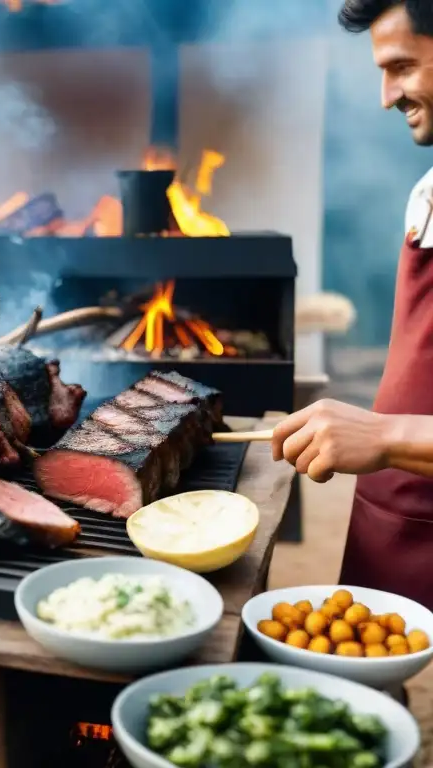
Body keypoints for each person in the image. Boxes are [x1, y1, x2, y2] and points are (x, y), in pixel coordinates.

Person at [272, 0, 433, 610]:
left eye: (402, 67)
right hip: (393, 522)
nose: (386, 97)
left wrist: (386, 436)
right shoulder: (427, 192)